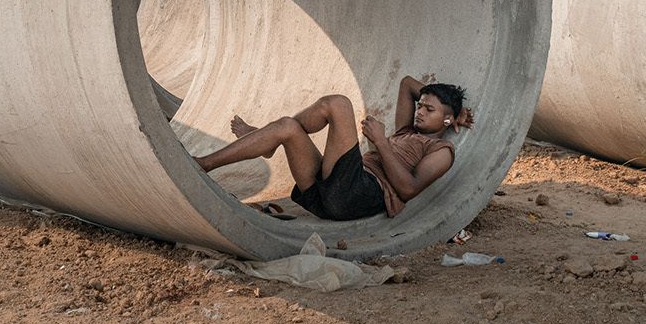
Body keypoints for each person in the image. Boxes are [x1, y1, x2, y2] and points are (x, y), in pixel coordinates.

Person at [195, 75, 474, 221]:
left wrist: (380, 142)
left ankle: (266, 140)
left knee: (338, 104)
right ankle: (208, 162)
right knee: (287, 127)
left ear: (446, 120)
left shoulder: (441, 151)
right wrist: (449, 105)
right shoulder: (406, 131)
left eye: (429, 110)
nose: (420, 112)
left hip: (359, 194)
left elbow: (409, 189)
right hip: (326, 196)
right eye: (420, 106)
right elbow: (407, 84)